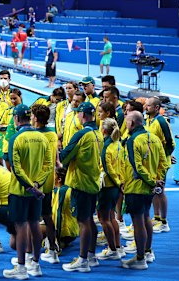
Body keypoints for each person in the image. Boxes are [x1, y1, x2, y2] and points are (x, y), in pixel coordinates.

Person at [2, 105, 53, 279]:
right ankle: (36, 264)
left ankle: (22, 268)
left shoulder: (15, 139)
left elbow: (15, 167)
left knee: (21, 227)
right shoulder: (42, 138)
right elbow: (48, 165)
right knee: (35, 224)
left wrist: (29, 186)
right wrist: (38, 184)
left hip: (20, 191)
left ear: (16, 119)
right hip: (38, 191)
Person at [60, 102, 104, 272]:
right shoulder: (98, 133)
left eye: (78, 114)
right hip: (92, 181)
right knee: (89, 220)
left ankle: (83, 260)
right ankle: (91, 255)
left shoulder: (81, 134)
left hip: (81, 182)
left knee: (83, 221)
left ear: (82, 115)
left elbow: (64, 157)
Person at [122, 111, 168, 269]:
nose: (126, 125)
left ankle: (140, 258)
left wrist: (151, 181)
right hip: (149, 188)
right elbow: (164, 161)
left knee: (138, 221)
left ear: (132, 123)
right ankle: (147, 251)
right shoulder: (154, 138)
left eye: (127, 122)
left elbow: (137, 166)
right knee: (146, 217)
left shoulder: (132, 140)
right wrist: (158, 180)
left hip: (136, 187)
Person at [31, 105, 61, 264]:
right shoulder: (53, 134)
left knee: (32, 219)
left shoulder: (33, 135)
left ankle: (31, 256)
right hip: (49, 180)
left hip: (35, 181)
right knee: (48, 216)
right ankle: (53, 250)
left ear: (35, 118)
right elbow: (56, 158)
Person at [95, 118, 125, 261]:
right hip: (116, 186)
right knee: (112, 217)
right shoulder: (118, 144)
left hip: (107, 186)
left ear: (104, 130)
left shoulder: (106, 147)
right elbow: (122, 164)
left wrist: (118, 183)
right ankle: (117, 247)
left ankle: (112, 249)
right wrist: (121, 182)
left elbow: (108, 169)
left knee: (103, 219)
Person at [144, 97, 175, 233]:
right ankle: (156, 218)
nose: (146, 107)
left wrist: (164, 158)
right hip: (153, 162)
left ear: (156, 107)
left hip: (160, 163)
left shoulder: (162, 121)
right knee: (154, 190)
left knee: (160, 191)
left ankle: (164, 221)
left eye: (149, 106)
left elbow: (170, 143)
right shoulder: (149, 120)